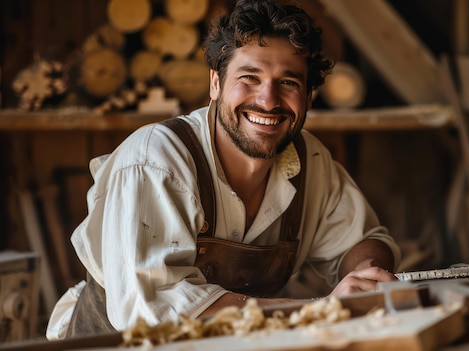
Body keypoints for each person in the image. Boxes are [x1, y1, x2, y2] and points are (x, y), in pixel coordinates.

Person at [46, 0, 400, 339]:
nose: (268, 100)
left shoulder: (311, 162)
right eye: (250, 77)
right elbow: (156, 312)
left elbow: (362, 240)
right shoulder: (155, 160)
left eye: (289, 83)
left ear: (308, 97)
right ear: (215, 83)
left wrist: (365, 276)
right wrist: (314, 309)